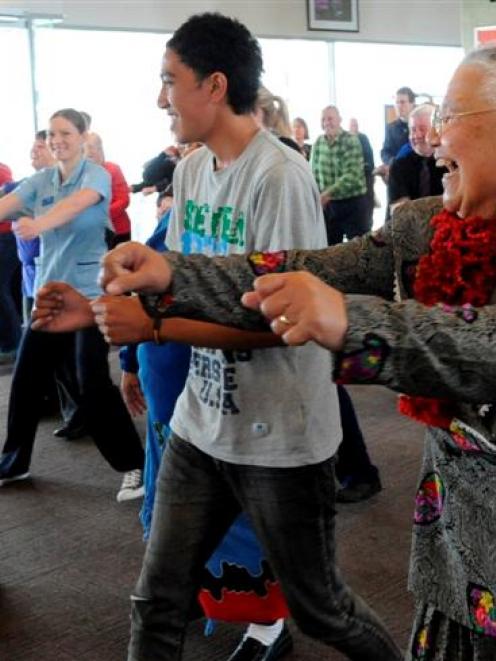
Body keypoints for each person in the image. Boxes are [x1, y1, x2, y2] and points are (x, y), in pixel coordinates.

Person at [59, 44, 496, 661]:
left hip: (289, 441)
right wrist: (171, 274)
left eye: (448, 114)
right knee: (158, 599)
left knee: (322, 608)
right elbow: (302, 268)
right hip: (458, 551)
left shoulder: (279, 170)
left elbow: (480, 345)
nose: (430, 135)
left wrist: (348, 318)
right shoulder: (423, 226)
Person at [0, 108, 144, 498]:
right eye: (51, 134)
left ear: (82, 136)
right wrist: (25, 216)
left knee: (90, 381)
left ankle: (135, 467)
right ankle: (13, 464)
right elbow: (8, 205)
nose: (56, 140)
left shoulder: (94, 175)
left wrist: (39, 224)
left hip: (88, 295)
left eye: (65, 132)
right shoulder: (41, 181)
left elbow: (77, 205)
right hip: (50, 296)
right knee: (26, 380)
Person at [311, 105, 369, 245]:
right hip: (329, 206)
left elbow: (352, 175)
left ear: (339, 120)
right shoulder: (318, 142)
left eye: (330, 118)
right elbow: (313, 172)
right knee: (329, 249)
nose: (326, 122)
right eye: (323, 119)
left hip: (353, 204)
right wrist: (315, 194)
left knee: (359, 250)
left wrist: (326, 194)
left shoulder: (351, 140)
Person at [387, 104, 446, 217]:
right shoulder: (399, 166)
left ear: (437, 130)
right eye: (413, 130)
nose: (417, 135)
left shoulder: (450, 164)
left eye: (422, 129)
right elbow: (401, 212)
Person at [85, 132, 132, 247]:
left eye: (91, 147)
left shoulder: (113, 169)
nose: (87, 152)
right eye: (84, 148)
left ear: (100, 150)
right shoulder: (80, 174)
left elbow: (123, 200)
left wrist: (98, 215)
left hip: (117, 230)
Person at [0, 161, 22, 365]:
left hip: (5, 238)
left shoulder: (2, 170)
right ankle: (11, 343)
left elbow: (10, 198)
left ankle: (12, 344)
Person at [380, 86, 416, 168]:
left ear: (412, 103)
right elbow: (385, 152)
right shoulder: (390, 128)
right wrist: (392, 161)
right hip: (398, 172)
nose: (399, 106)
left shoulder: (421, 126)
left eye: (402, 102)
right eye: (397, 102)